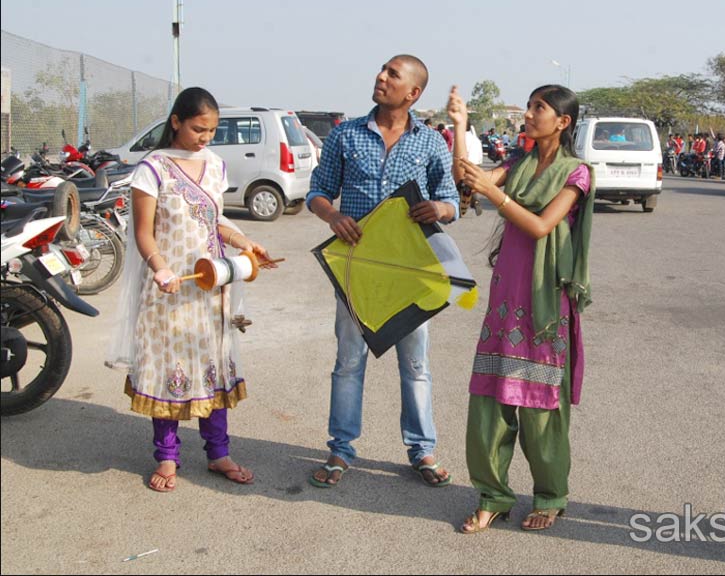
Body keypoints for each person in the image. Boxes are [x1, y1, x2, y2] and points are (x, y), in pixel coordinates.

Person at [104, 87, 276, 493]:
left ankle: (218, 454)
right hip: (167, 290)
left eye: (212, 131)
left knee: (211, 370)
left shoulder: (215, 165)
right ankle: (167, 456)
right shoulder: (153, 168)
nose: (205, 138)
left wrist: (245, 244)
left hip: (210, 286)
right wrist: (161, 269)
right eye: (199, 129)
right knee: (168, 372)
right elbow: (143, 234)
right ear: (177, 121)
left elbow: (213, 223)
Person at [306, 54, 460, 488]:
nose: (381, 76)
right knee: (349, 362)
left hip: (411, 273)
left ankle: (422, 450)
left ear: (413, 93)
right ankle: (340, 451)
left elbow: (452, 201)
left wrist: (440, 208)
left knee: (415, 365)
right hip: (357, 271)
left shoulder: (431, 142)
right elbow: (318, 191)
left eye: (393, 74)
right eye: (382, 70)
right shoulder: (346, 135)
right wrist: (332, 217)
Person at [447, 83, 594, 533]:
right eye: (529, 107)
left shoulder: (577, 173)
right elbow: (467, 180)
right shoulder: (517, 164)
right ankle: (493, 495)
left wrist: (496, 196)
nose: (528, 115)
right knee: (490, 400)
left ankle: (550, 495)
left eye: (538, 108)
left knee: (541, 404)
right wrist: (459, 126)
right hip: (507, 298)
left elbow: (541, 225)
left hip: (545, 301)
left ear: (562, 122)